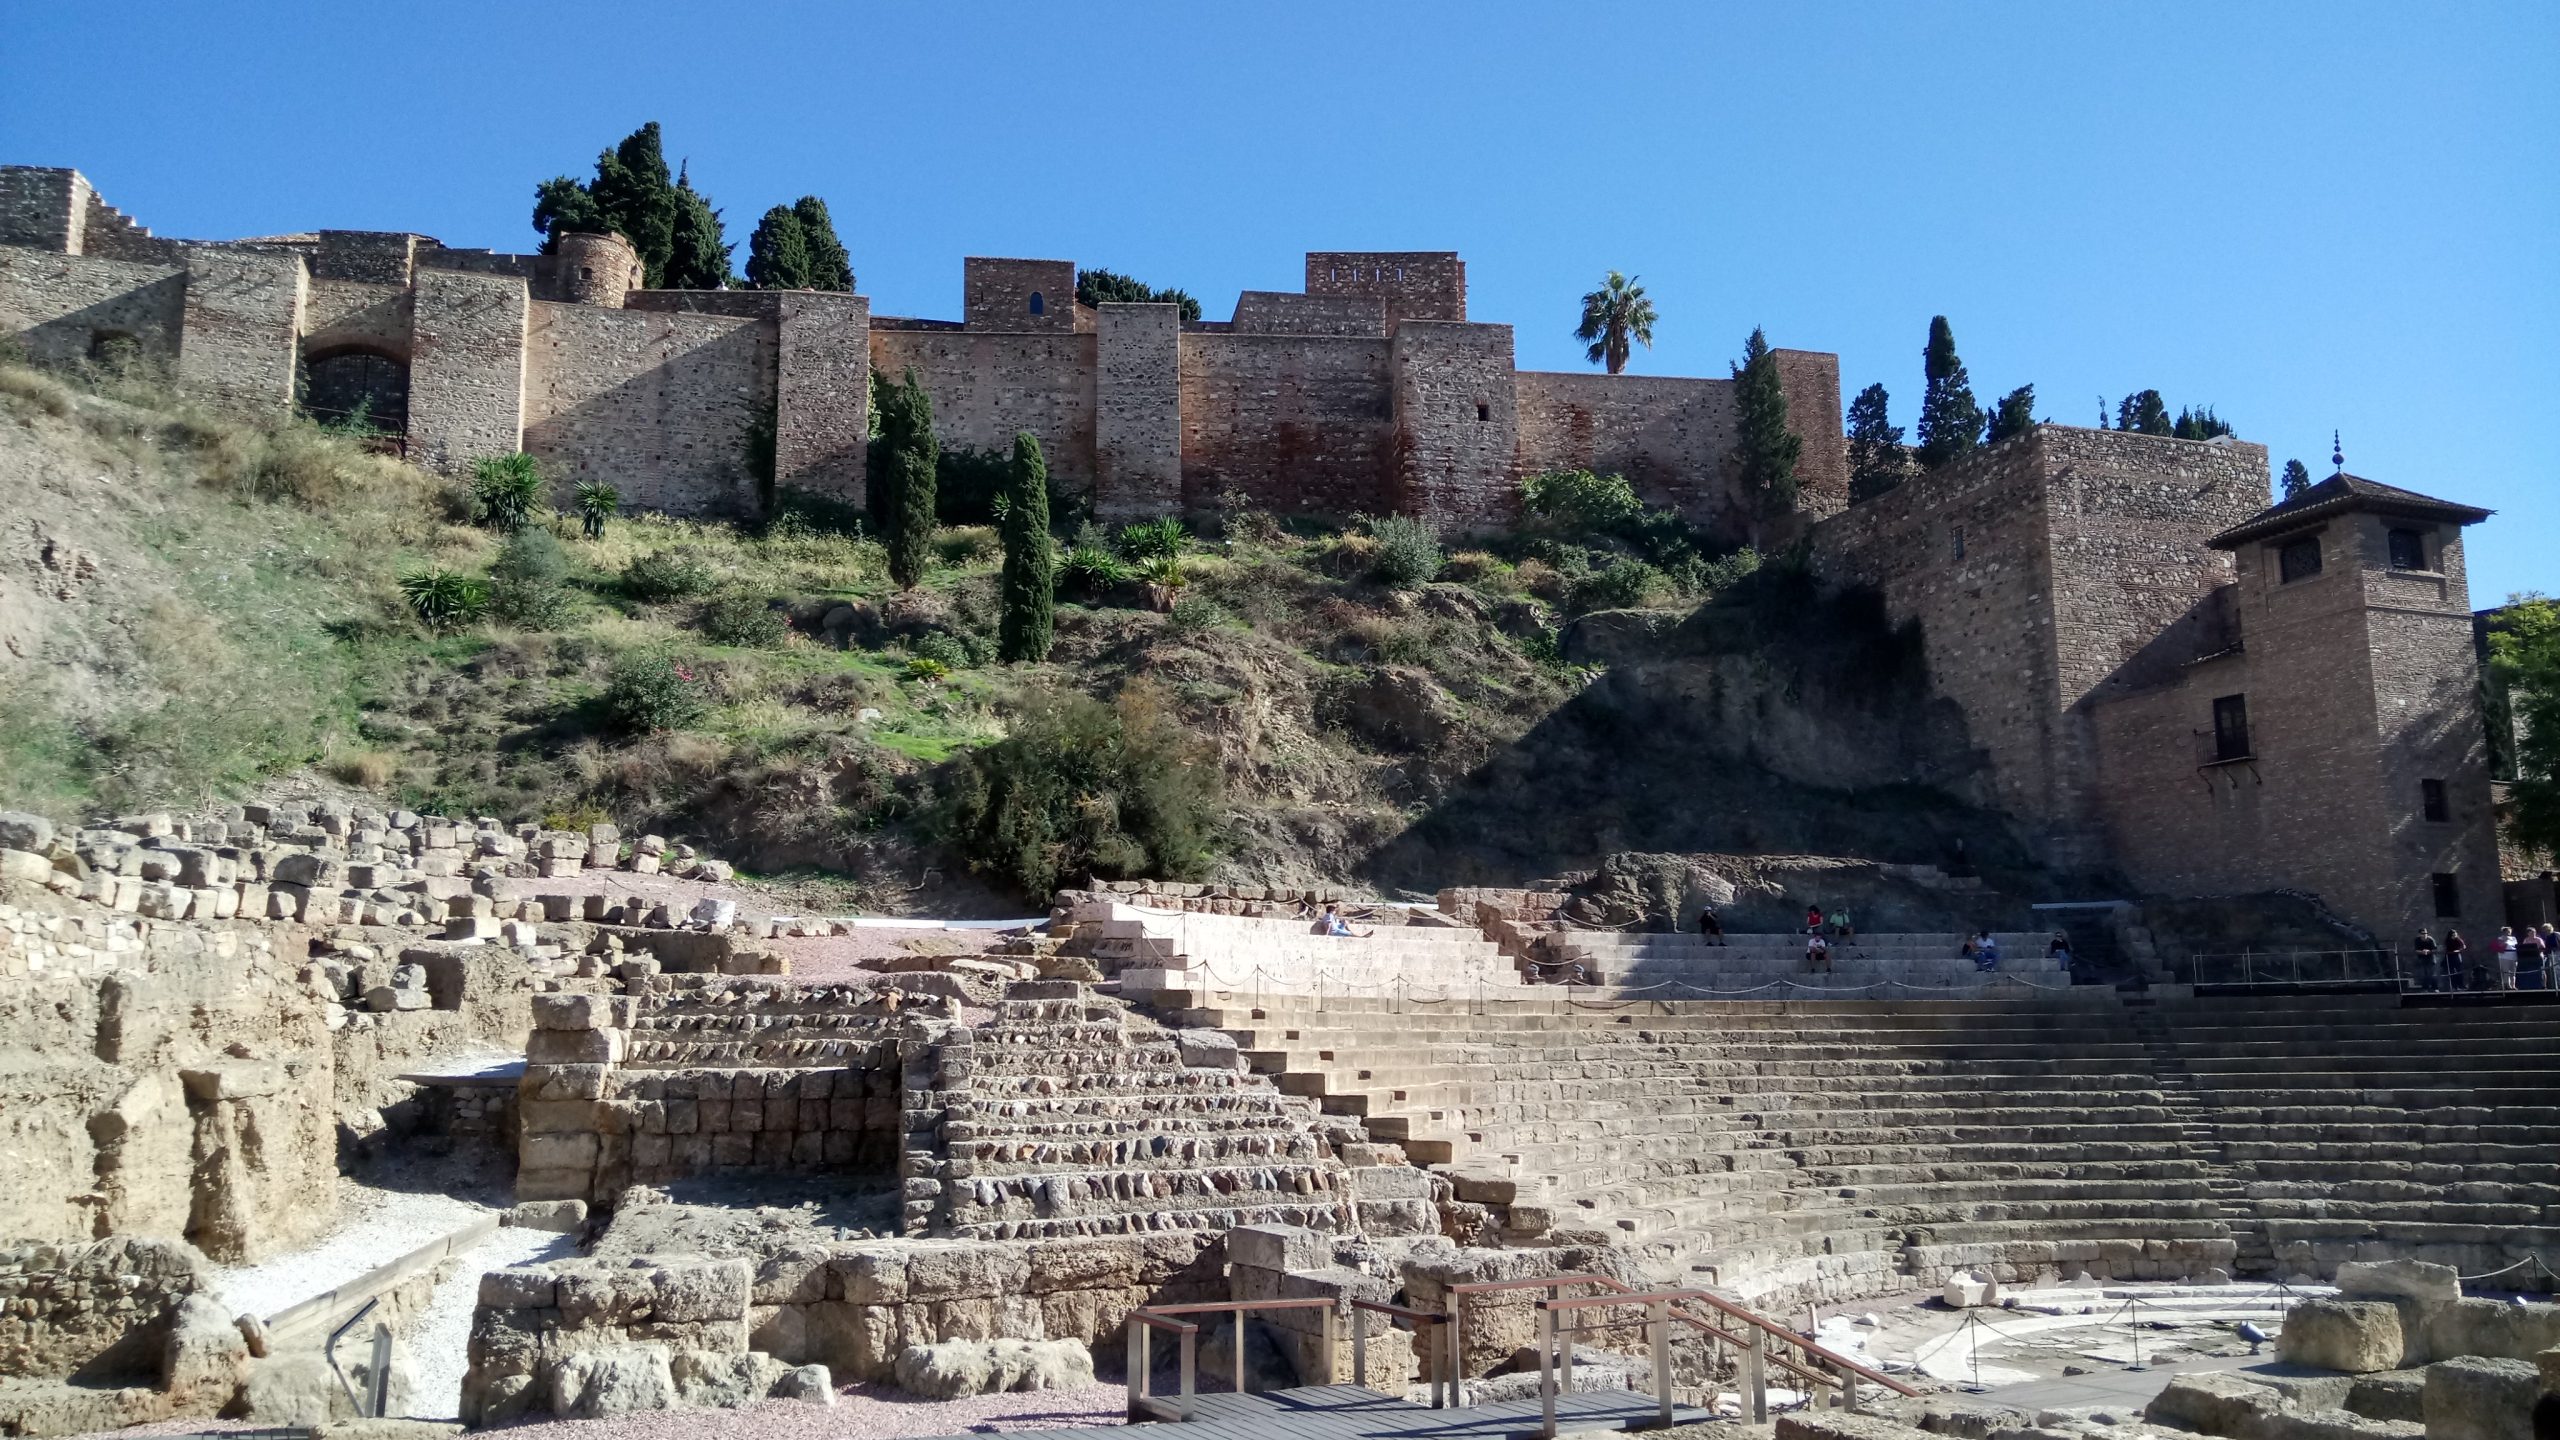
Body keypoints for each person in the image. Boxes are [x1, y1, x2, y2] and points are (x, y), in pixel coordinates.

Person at [2519, 925, 2548, 991]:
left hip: (2539, 957)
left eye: (2534, 932)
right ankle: (2532, 985)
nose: (2533, 934)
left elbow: (2543, 948)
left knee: (2542, 971)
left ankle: (2544, 985)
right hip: (2530, 958)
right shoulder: (2526, 940)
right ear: (2528, 933)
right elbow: (2523, 948)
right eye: (2531, 932)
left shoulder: (2538, 939)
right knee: (2531, 971)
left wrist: (2538, 950)